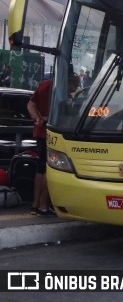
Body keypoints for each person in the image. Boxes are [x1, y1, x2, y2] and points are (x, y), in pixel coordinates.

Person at [27, 78, 55, 217]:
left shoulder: (44, 84)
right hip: (53, 133)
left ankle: (34, 205)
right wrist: (43, 118)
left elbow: (31, 104)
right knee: (49, 168)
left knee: (40, 168)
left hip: (40, 131)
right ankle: (43, 205)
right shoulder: (59, 85)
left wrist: (37, 118)